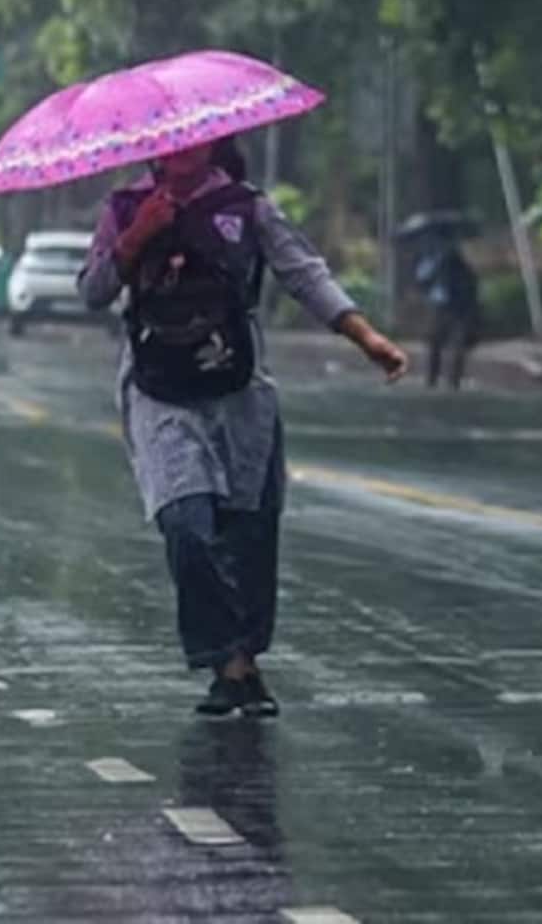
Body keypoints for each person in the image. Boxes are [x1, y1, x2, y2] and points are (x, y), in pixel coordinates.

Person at [82, 136, 407, 718]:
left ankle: (242, 663)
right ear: (153, 148)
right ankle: (225, 661)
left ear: (215, 141)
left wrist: (366, 338)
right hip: (160, 392)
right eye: (171, 140)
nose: (183, 150)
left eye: (195, 139)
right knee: (185, 522)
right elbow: (93, 291)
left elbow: (304, 274)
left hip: (239, 392)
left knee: (248, 532)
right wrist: (137, 236)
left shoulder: (245, 206)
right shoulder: (125, 207)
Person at [414, 237, 479, 390]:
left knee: (449, 344)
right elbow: (423, 281)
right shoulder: (434, 261)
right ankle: (441, 379)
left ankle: (446, 379)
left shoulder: (451, 263)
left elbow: (422, 280)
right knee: (440, 343)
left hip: (452, 307)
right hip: (447, 306)